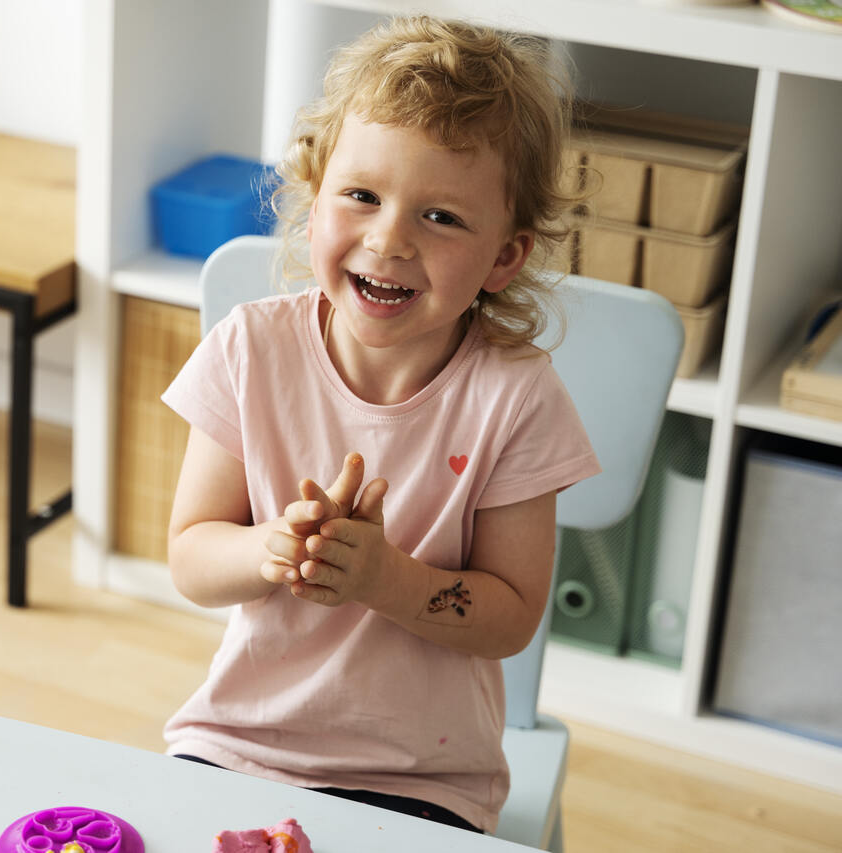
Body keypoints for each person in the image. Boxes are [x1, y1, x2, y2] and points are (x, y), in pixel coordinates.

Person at [159, 15, 602, 835]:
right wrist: (271, 548)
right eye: (361, 195)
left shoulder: (516, 397)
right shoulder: (252, 349)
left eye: (441, 217)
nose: (389, 239)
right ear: (315, 192)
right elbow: (191, 554)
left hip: (422, 778)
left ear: (505, 257)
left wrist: (382, 580)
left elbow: (509, 616)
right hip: (236, 744)